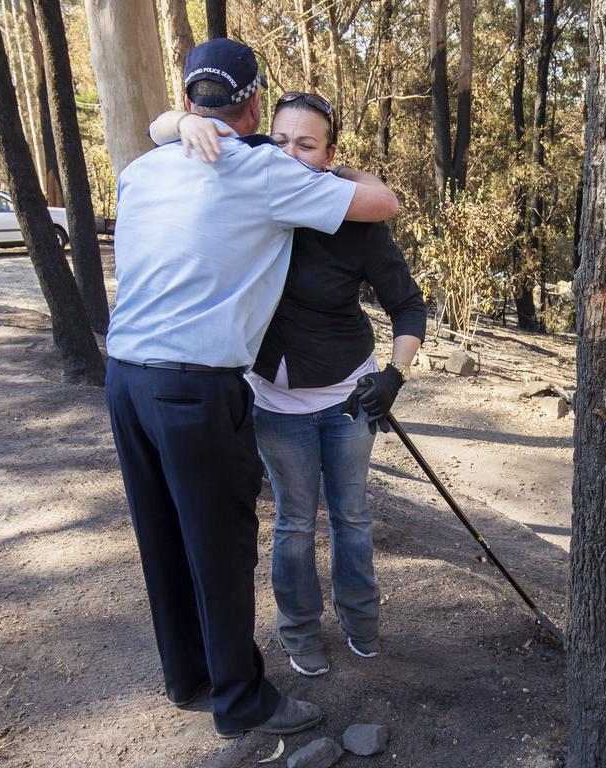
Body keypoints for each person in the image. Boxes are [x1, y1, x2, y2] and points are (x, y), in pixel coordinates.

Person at [105, 39, 399, 739]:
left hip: (124, 381)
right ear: (256, 104)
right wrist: (312, 156)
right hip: (193, 390)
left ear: (187, 100)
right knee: (221, 547)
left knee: (163, 536)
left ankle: (189, 677)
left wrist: (174, 127)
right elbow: (382, 202)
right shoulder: (267, 171)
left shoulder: (143, 170)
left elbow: (162, 130)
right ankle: (242, 703)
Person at [150, 92, 425, 678]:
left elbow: (407, 306)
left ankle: (361, 619)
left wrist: (395, 376)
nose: (291, 154)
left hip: (350, 396)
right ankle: (299, 629)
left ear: (328, 155)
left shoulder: (356, 221)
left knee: (351, 516)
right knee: (295, 523)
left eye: (307, 144)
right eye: (279, 141)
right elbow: (167, 135)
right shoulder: (248, 202)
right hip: (275, 403)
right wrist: (181, 121)